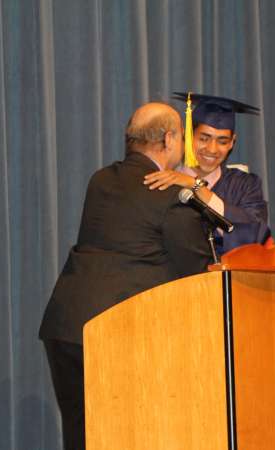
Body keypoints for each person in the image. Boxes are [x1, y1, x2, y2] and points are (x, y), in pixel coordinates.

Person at [39, 102, 212, 450]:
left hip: (67, 326)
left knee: (83, 437)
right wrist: (197, 193)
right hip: (118, 332)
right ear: (168, 139)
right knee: (128, 437)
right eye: (181, 136)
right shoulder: (173, 195)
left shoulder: (101, 180)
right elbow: (198, 274)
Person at [144, 92, 270, 255]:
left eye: (222, 141)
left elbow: (256, 237)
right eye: (204, 138)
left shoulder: (245, 185)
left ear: (233, 142)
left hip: (228, 278)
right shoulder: (164, 180)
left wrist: (196, 187)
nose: (212, 149)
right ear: (188, 136)